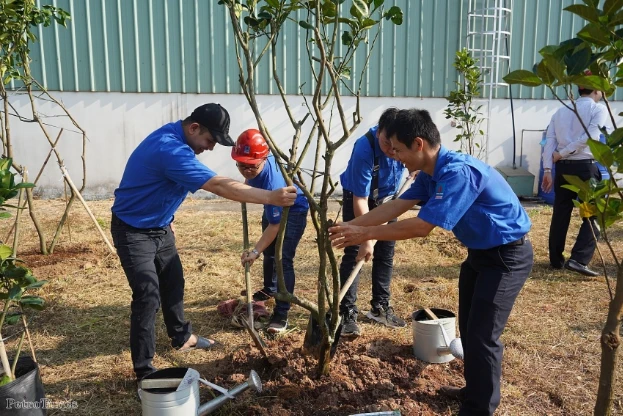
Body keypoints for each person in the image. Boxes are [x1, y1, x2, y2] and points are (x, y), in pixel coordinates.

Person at [329, 108, 533, 416]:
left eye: (397, 150)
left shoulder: (457, 173)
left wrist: (367, 233)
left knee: (482, 337)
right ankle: (473, 392)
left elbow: (422, 227)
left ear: (419, 144)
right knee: (469, 328)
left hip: (507, 257)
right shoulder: (430, 173)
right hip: (480, 254)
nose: (395, 157)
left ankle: (480, 408)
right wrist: (355, 227)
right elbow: (399, 204)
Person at [110, 103, 297, 381]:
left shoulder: (177, 140)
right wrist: (270, 197)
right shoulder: (170, 150)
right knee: (148, 295)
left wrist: (167, 216)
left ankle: (182, 337)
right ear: (194, 128)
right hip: (133, 230)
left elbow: (159, 183)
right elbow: (218, 185)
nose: (210, 148)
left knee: (173, 283)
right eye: (210, 140)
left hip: (160, 226)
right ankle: (144, 370)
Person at [337, 107, 407, 338]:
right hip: (360, 199)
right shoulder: (364, 148)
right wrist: (366, 236)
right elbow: (360, 199)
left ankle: (380, 306)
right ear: (380, 132)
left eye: (395, 146)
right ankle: (346, 311)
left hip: (390, 200)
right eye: (386, 143)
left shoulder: (401, 142)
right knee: (355, 251)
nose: (390, 150)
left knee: (385, 253)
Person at [234, 129, 309, 334]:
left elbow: (274, 227)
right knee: (270, 252)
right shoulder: (257, 167)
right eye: (241, 165)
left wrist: (254, 252)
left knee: (282, 258)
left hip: (293, 209)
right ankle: (270, 289)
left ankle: (282, 313)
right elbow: (250, 181)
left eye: (251, 166)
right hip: (272, 203)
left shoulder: (273, 182)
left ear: (263, 159)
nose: (246, 170)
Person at [541, 84, 608, 277]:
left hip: (563, 168)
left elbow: (549, 140)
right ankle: (578, 259)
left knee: (561, 213)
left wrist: (548, 168)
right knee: (593, 213)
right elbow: (591, 136)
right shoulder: (598, 109)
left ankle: (555, 259)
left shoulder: (561, 111)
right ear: (596, 90)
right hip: (585, 167)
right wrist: (561, 154)